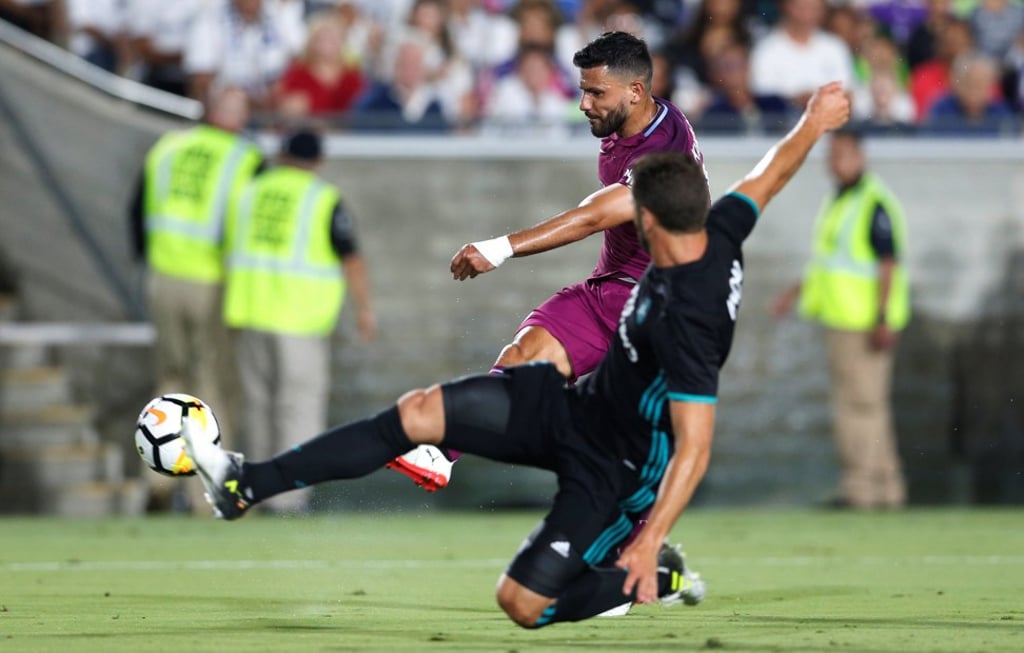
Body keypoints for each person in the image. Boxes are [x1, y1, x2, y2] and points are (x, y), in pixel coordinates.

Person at [182, 82, 853, 628]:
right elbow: (771, 172)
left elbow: (695, 446)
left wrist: (648, 542)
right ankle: (248, 483)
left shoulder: (690, 318)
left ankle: (648, 574)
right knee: (419, 412)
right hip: (570, 407)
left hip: (614, 464)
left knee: (523, 603)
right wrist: (815, 120)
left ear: (647, 222)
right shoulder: (721, 225)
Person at [389, 30, 705, 492]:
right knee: (524, 359)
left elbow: (592, 217)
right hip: (615, 289)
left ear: (636, 91)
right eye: (582, 89)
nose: (583, 103)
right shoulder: (637, 122)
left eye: (596, 92)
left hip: (660, 306)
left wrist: (499, 248)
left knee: (628, 462)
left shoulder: (663, 152)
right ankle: (442, 451)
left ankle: (648, 553)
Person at [221, 129, 376, 513]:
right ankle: (289, 500)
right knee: (298, 408)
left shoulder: (249, 192)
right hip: (299, 320)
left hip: (249, 311)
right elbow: (350, 258)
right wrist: (364, 310)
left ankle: (254, 493)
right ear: (318, 161)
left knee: (256, 407)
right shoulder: (321, 198)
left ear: (283, 155)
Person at [128, 86, 264, 511]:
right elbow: (249, 227)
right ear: (238, 116)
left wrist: (151, 263)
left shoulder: (167, 148)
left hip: (162, 276)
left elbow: (136, 212)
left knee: (169, 379)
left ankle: (157, 482)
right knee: (213, 387)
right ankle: (207, 495)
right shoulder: (245, 159)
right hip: (211, 281)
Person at [772, 126, 909, 510]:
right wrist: (794, 293)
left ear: (860, 156)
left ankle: (861, 489)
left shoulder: (871, 202)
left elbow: (887, 264)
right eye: (832, 154)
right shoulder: (845, 200)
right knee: (869, 404)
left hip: (861, 321)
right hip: (846, 317)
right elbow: (827, 261)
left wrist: (881, 318)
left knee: (858, 406)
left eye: (843, 153)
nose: (834, 162)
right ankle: (886, 488)